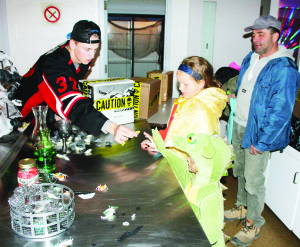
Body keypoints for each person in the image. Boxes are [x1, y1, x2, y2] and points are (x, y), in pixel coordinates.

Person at [224, 15, 300, 247]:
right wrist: (238, 95)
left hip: (257, 131)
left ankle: (253, 223)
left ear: (275, 36)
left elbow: (280, 111)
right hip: (239, 122)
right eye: (253, 34)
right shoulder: (252, 56)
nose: (255, 39)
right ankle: (241, 207)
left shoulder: (284, 68)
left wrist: (263, 141)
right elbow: (247, 86)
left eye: (261, 34)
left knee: (254, 181)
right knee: (239, 171)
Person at [142, 56, 230, 246]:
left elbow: (196, 155)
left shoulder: (202, 111)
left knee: (194, 224)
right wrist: (160, 143)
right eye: (179, 83)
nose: (180, 88)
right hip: (179, 165)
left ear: (201, 83)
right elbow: (177, 130)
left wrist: (164, 148)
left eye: (185, 84)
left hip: (191, 178)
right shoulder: (189, 100)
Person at [14, 20, 137, 144]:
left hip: (46, 109)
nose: (92, 55)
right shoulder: (53, 64)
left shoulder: (81, 57)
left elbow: (71, 87)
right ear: (72, 44)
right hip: (25, 118)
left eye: (95, 50)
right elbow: (72, 102)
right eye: (87, 49)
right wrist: (112, 127)